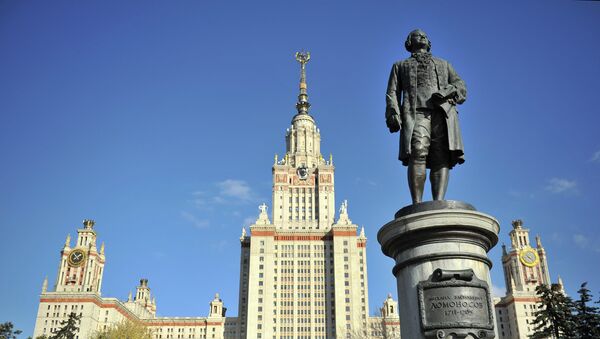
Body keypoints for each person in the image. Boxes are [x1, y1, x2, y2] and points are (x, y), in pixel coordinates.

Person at [385, 29, 467, 204]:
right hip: (416, 114)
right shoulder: (400, 66)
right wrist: (393, 112)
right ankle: (417, 204)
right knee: (418, 152)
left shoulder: (444, 64)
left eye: (425, 35)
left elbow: (460, 85)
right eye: (417, 35)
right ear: (409, 42)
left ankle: (438, 202)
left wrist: (447, 91)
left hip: (442, 113)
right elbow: (392, 92)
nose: (422, 36)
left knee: (441, 156)